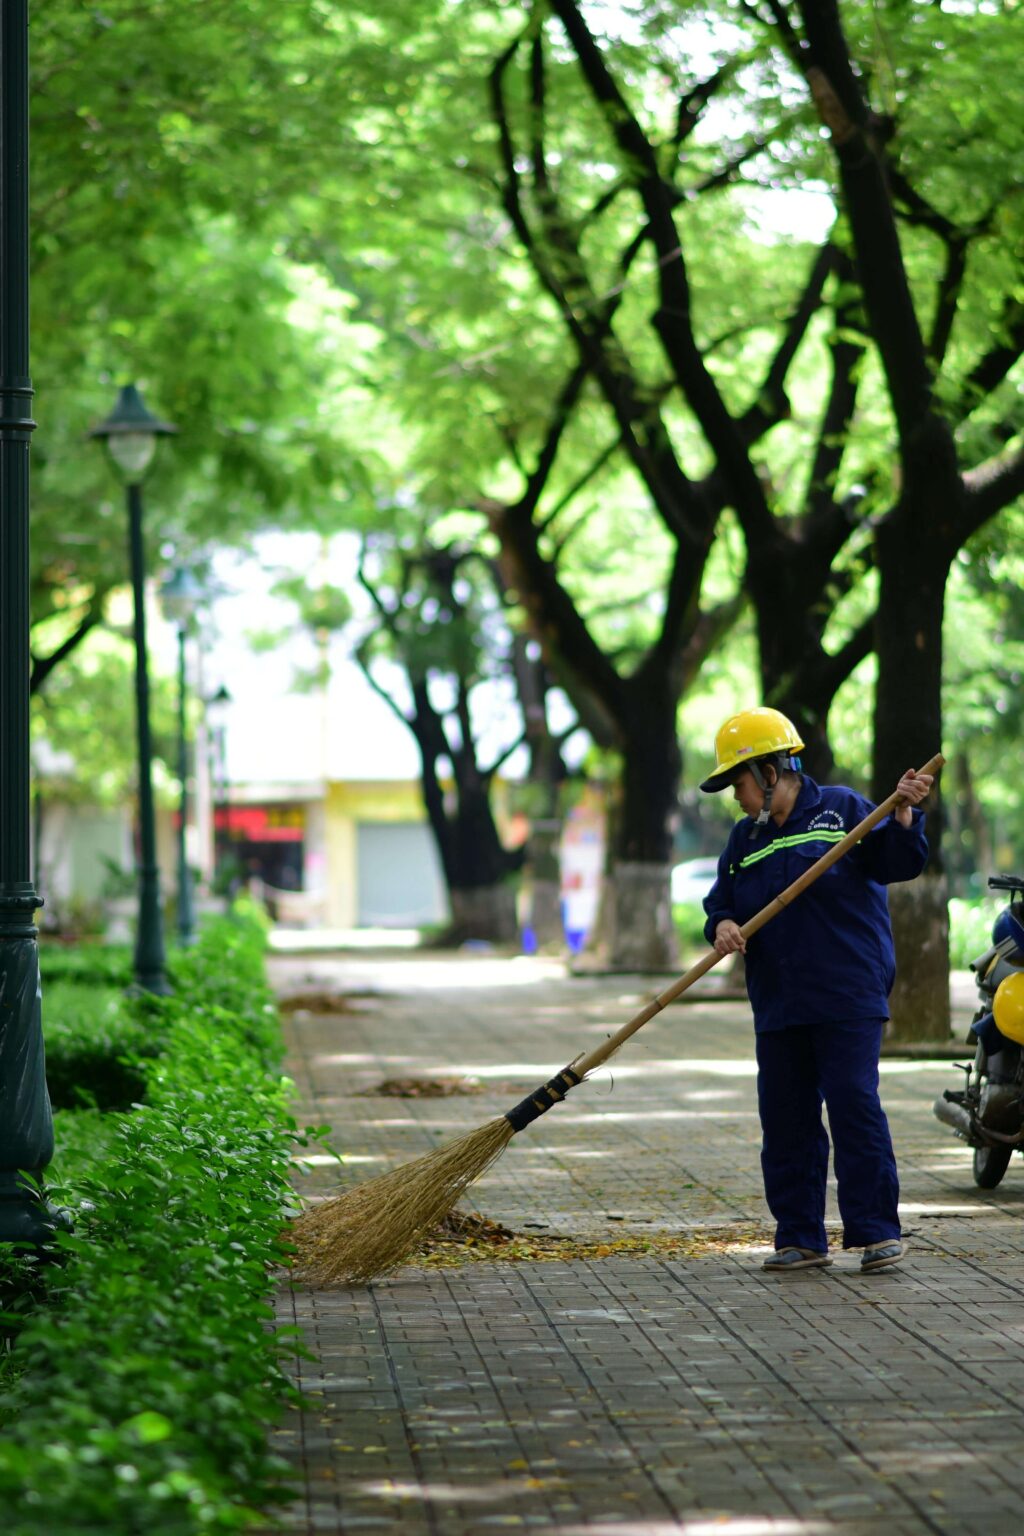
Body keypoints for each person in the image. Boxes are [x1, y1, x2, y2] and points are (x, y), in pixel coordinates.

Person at [699, 706, 932, 1274]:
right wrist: (722, 926)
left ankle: (876, 1232)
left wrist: (902, 816)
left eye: (739, 781)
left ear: (773, 771)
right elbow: (720, 905)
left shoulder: (844, 810)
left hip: (846, 991)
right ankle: (800, 1236)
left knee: (853, 1104)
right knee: (785, 1117)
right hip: (778, 999)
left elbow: (897, 863)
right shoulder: (744, 839)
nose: (736, 796)